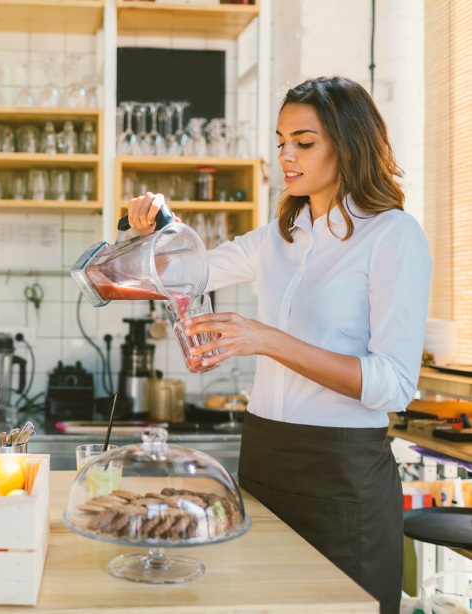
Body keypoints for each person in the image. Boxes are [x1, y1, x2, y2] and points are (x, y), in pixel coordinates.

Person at [128, 76, 431, 614]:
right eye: (280, 141)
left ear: (349, 143)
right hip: (265, 457)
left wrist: (268, 340)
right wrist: (153, 229)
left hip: (342, 471)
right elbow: (174, 272)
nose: (286, 156)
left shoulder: (392, 235)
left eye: (304, 142)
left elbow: (393, 383)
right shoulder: (276, 238)